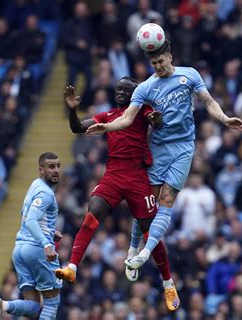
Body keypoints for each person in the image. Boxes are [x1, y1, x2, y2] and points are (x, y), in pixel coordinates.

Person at [87, 39, 242, 270]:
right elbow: (128, 118)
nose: (158, 66)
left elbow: (209, 101)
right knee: (147, 204)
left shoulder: (189, 75)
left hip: (184, 147)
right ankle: (133, 247)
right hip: (159, 148)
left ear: (170, 56)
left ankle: (145, 252)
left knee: (167, 200)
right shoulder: (145, 88)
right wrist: (107, 127)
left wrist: (225, 119)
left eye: (161, 61)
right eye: (154, 63)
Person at [54, 77, 181, 311]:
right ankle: (72, 267)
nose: (121, 92)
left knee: (150, 231)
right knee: (92, 212)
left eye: (126, 89)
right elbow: (77, 127)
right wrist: (73, 110)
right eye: (118, 89)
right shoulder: (108, 115)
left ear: (135, 94)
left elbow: (158, 124)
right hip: (113, 175)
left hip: (136, 176)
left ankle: (168, 282)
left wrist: (156, 120)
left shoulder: (142, 110)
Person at [0, 152, 62, 320]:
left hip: (20, 250)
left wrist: (50, 232)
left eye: (58, 166)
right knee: (52, 303)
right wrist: (46, 243)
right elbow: (31, 221)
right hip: (38, 251)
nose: (56, 170)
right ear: (40, 170)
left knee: (34, 306)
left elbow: (25, 214)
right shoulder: (46, 194)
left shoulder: (34, 185)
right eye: (51, 167)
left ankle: (3, 305)